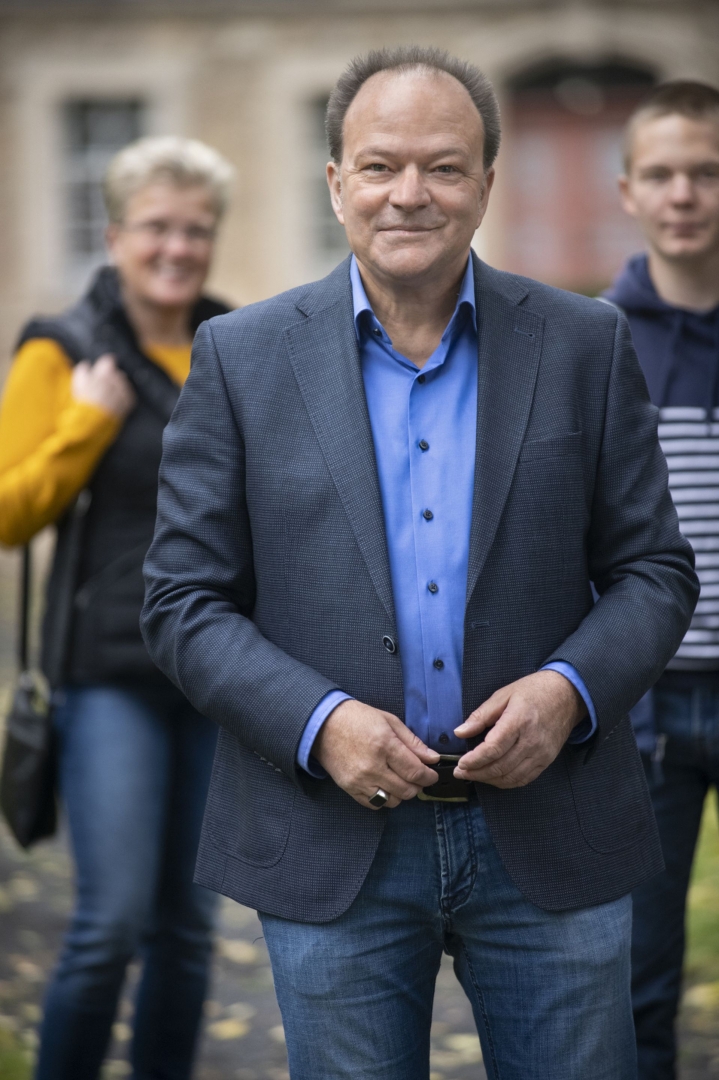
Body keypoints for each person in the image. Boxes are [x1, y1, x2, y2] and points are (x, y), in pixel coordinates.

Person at [141, 48, 698, 1080]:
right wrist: (320, 723)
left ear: (486, 183)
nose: (409, 193)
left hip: (552, 830)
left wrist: (567, 693)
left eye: (443, 167)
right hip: (328, 834)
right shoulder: (239, 356)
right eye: (379, 165)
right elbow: (182, 602)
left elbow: (654, 571)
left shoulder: (584, 342)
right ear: (335, 182)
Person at [0, 135, 233, 1080]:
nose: (177, 248)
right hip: (107, 678)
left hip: (215, 672)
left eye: (196, 230)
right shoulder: (62, 348)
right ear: (114, 236)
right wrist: (86, 424)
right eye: (156, 228)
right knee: (112, 922)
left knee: (190, 929)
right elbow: (9, 514)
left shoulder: (232, 345)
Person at [603, 80, 719, 1080]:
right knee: (637, 981)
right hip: (642, 708)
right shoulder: (592, 343)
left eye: (706, 173)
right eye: (662, 174)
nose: (683, 194)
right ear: (627, 191)